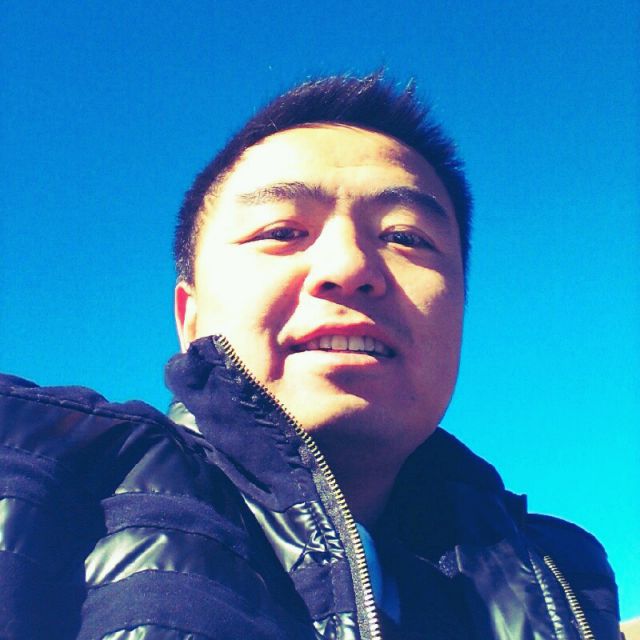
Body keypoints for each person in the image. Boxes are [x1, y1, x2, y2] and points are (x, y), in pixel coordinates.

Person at [0, 73, 622, 639]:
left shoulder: (565, 578)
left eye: (406, 237)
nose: (348, 267)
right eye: (281, 231)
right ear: (189, 316)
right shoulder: (31, 464)